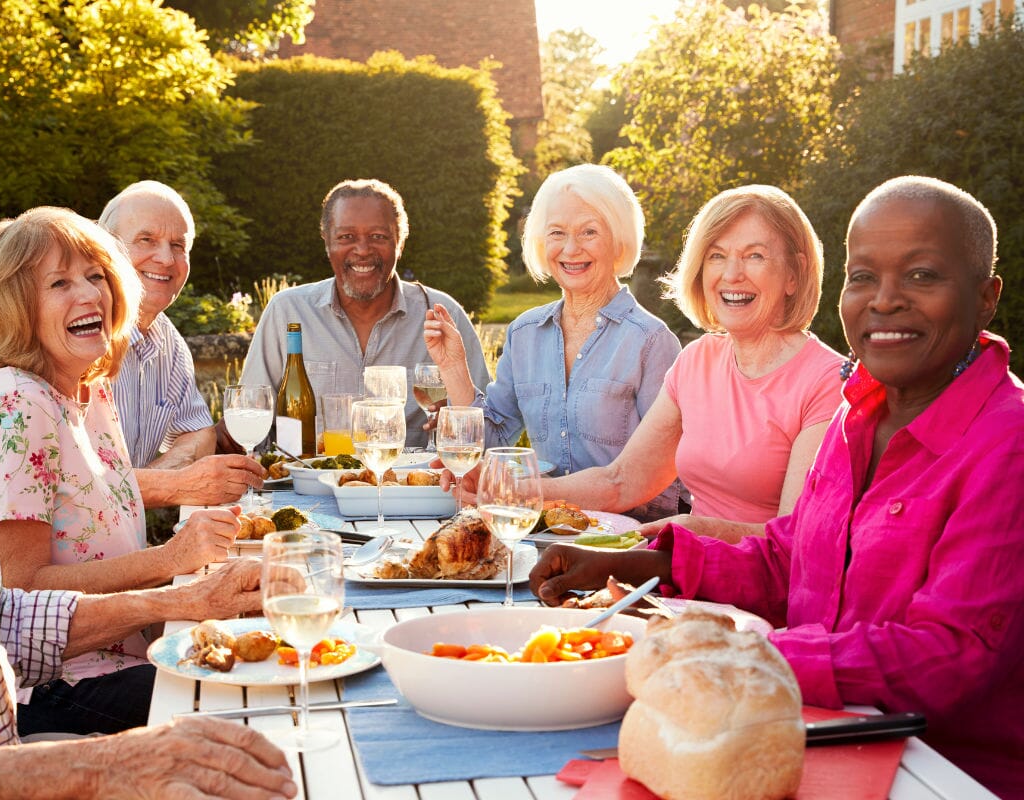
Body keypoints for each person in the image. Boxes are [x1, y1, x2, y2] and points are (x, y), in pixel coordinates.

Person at [0, 101, 296, 798]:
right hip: (33, 738)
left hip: (11, 744)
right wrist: (101, 766)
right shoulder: (10, 402)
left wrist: (191, 597)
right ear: (17, 300)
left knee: (275, 725)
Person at [529, 176, 1023, 798]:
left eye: (922, 275)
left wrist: (752, 661)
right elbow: (793, 556)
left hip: (940, 773)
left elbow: (951, 654)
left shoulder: (1009, 442)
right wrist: (646, 562)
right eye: (864, 276)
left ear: (985, 298)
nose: (885, 300)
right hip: (808, 732)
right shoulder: (858, 413)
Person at [0, 206, 250, 734]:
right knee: (242, 699)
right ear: (17, 304)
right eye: (59, 283)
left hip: (117, 654)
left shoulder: (87, 390)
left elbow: (86, 498)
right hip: (52, 687)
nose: (89, 295)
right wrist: (171, 560)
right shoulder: (15, 404)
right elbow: (19, 601)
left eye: (96, 276)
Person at [510, 184, 843, 541]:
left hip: (762, 590)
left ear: (795, 273)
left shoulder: (827, 381)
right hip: (687, 579)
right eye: (716, 255)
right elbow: (621, 482)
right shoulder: (697, 360)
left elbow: (799, 540)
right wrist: (509, 491)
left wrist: (698, 532)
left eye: (754, 256)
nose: (731, 274)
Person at [424, 164, 681, 519]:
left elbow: (661, 488)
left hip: (620, 540)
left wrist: (520, 492)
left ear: (618, 239)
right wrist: (453, 367)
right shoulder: (525, 333)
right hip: (535, 529)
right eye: (557, 233)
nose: (571, 249)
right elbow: (494, 439)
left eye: (589, 232)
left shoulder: (652, 342)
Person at [232, 178, 491, 450]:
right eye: (346, 237)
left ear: (400, 243)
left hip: (408, 489)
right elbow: (251, 416)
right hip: (304, 488)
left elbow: (488, 423)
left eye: (378, 237)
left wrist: (456, 424)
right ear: (327, 243)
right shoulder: (287, 312)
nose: (363, 250)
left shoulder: (441, 315)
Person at [98, 181, 264, 506]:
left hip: (122, 545)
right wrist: (173, 485)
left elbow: (199, 434)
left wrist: (156, 482)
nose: (165, 258)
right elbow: (73, 488)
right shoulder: (81, 337)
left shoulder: (166, 342)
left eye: (178, 245)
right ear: (106, 249)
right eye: (146, 240)